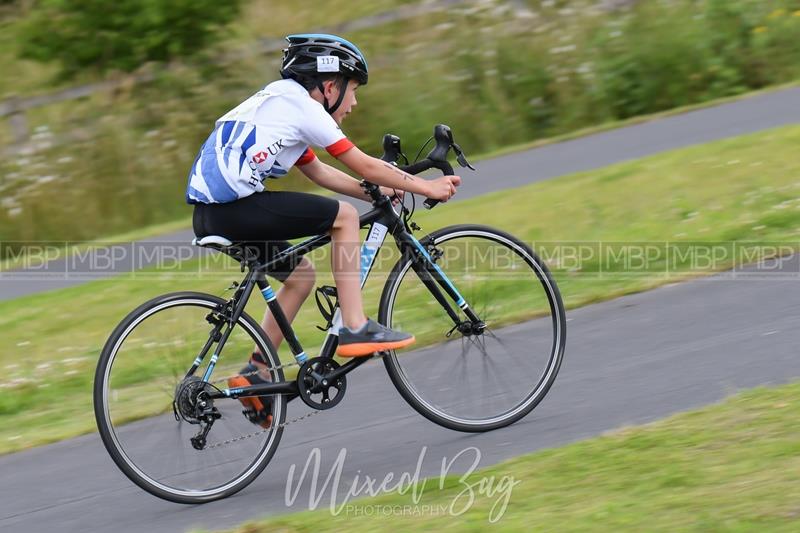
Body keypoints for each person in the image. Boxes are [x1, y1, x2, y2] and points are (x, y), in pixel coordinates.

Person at [186, 34, 461, 426]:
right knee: (344, 218)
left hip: (214, 212)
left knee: (300, 276)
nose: (354, 102)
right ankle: (355, 326)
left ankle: (256, 371)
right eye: (353, 90)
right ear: (329, 86)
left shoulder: (278, 104)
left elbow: (319, 172)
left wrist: (380, 191)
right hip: (234, 208)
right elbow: (362, 164)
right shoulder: (304, 109)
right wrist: (425, 186)